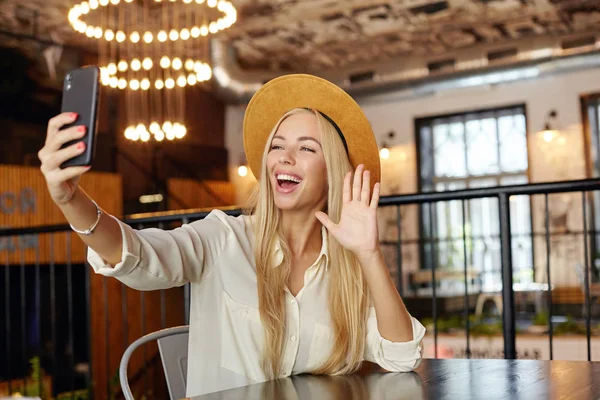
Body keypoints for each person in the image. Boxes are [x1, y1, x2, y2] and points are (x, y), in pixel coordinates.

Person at [38, 74, 425, 397]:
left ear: (333, 175)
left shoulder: (349, 267)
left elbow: (402, 355)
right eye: (277, 146)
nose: (284, 158)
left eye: (306, 148)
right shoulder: (224, 237)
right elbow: (142, 256)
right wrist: (71, 200)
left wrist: (369, 253)